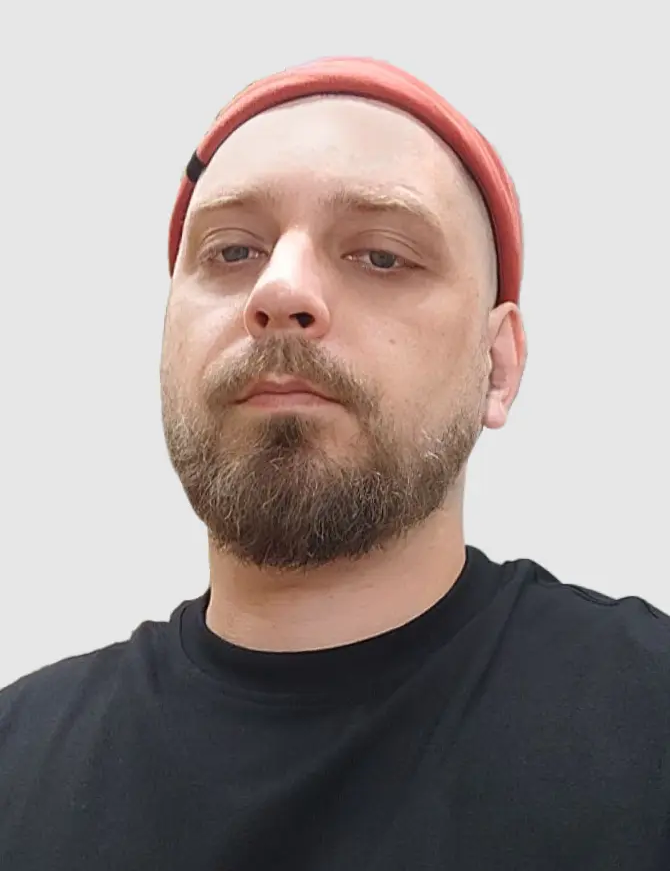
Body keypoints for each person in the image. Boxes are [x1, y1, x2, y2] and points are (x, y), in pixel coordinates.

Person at [1, 57, 668, 870]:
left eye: (381, 255)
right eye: (232, 251)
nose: (280, 291)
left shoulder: (650, 722)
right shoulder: (16, 764)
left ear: (497, 366)